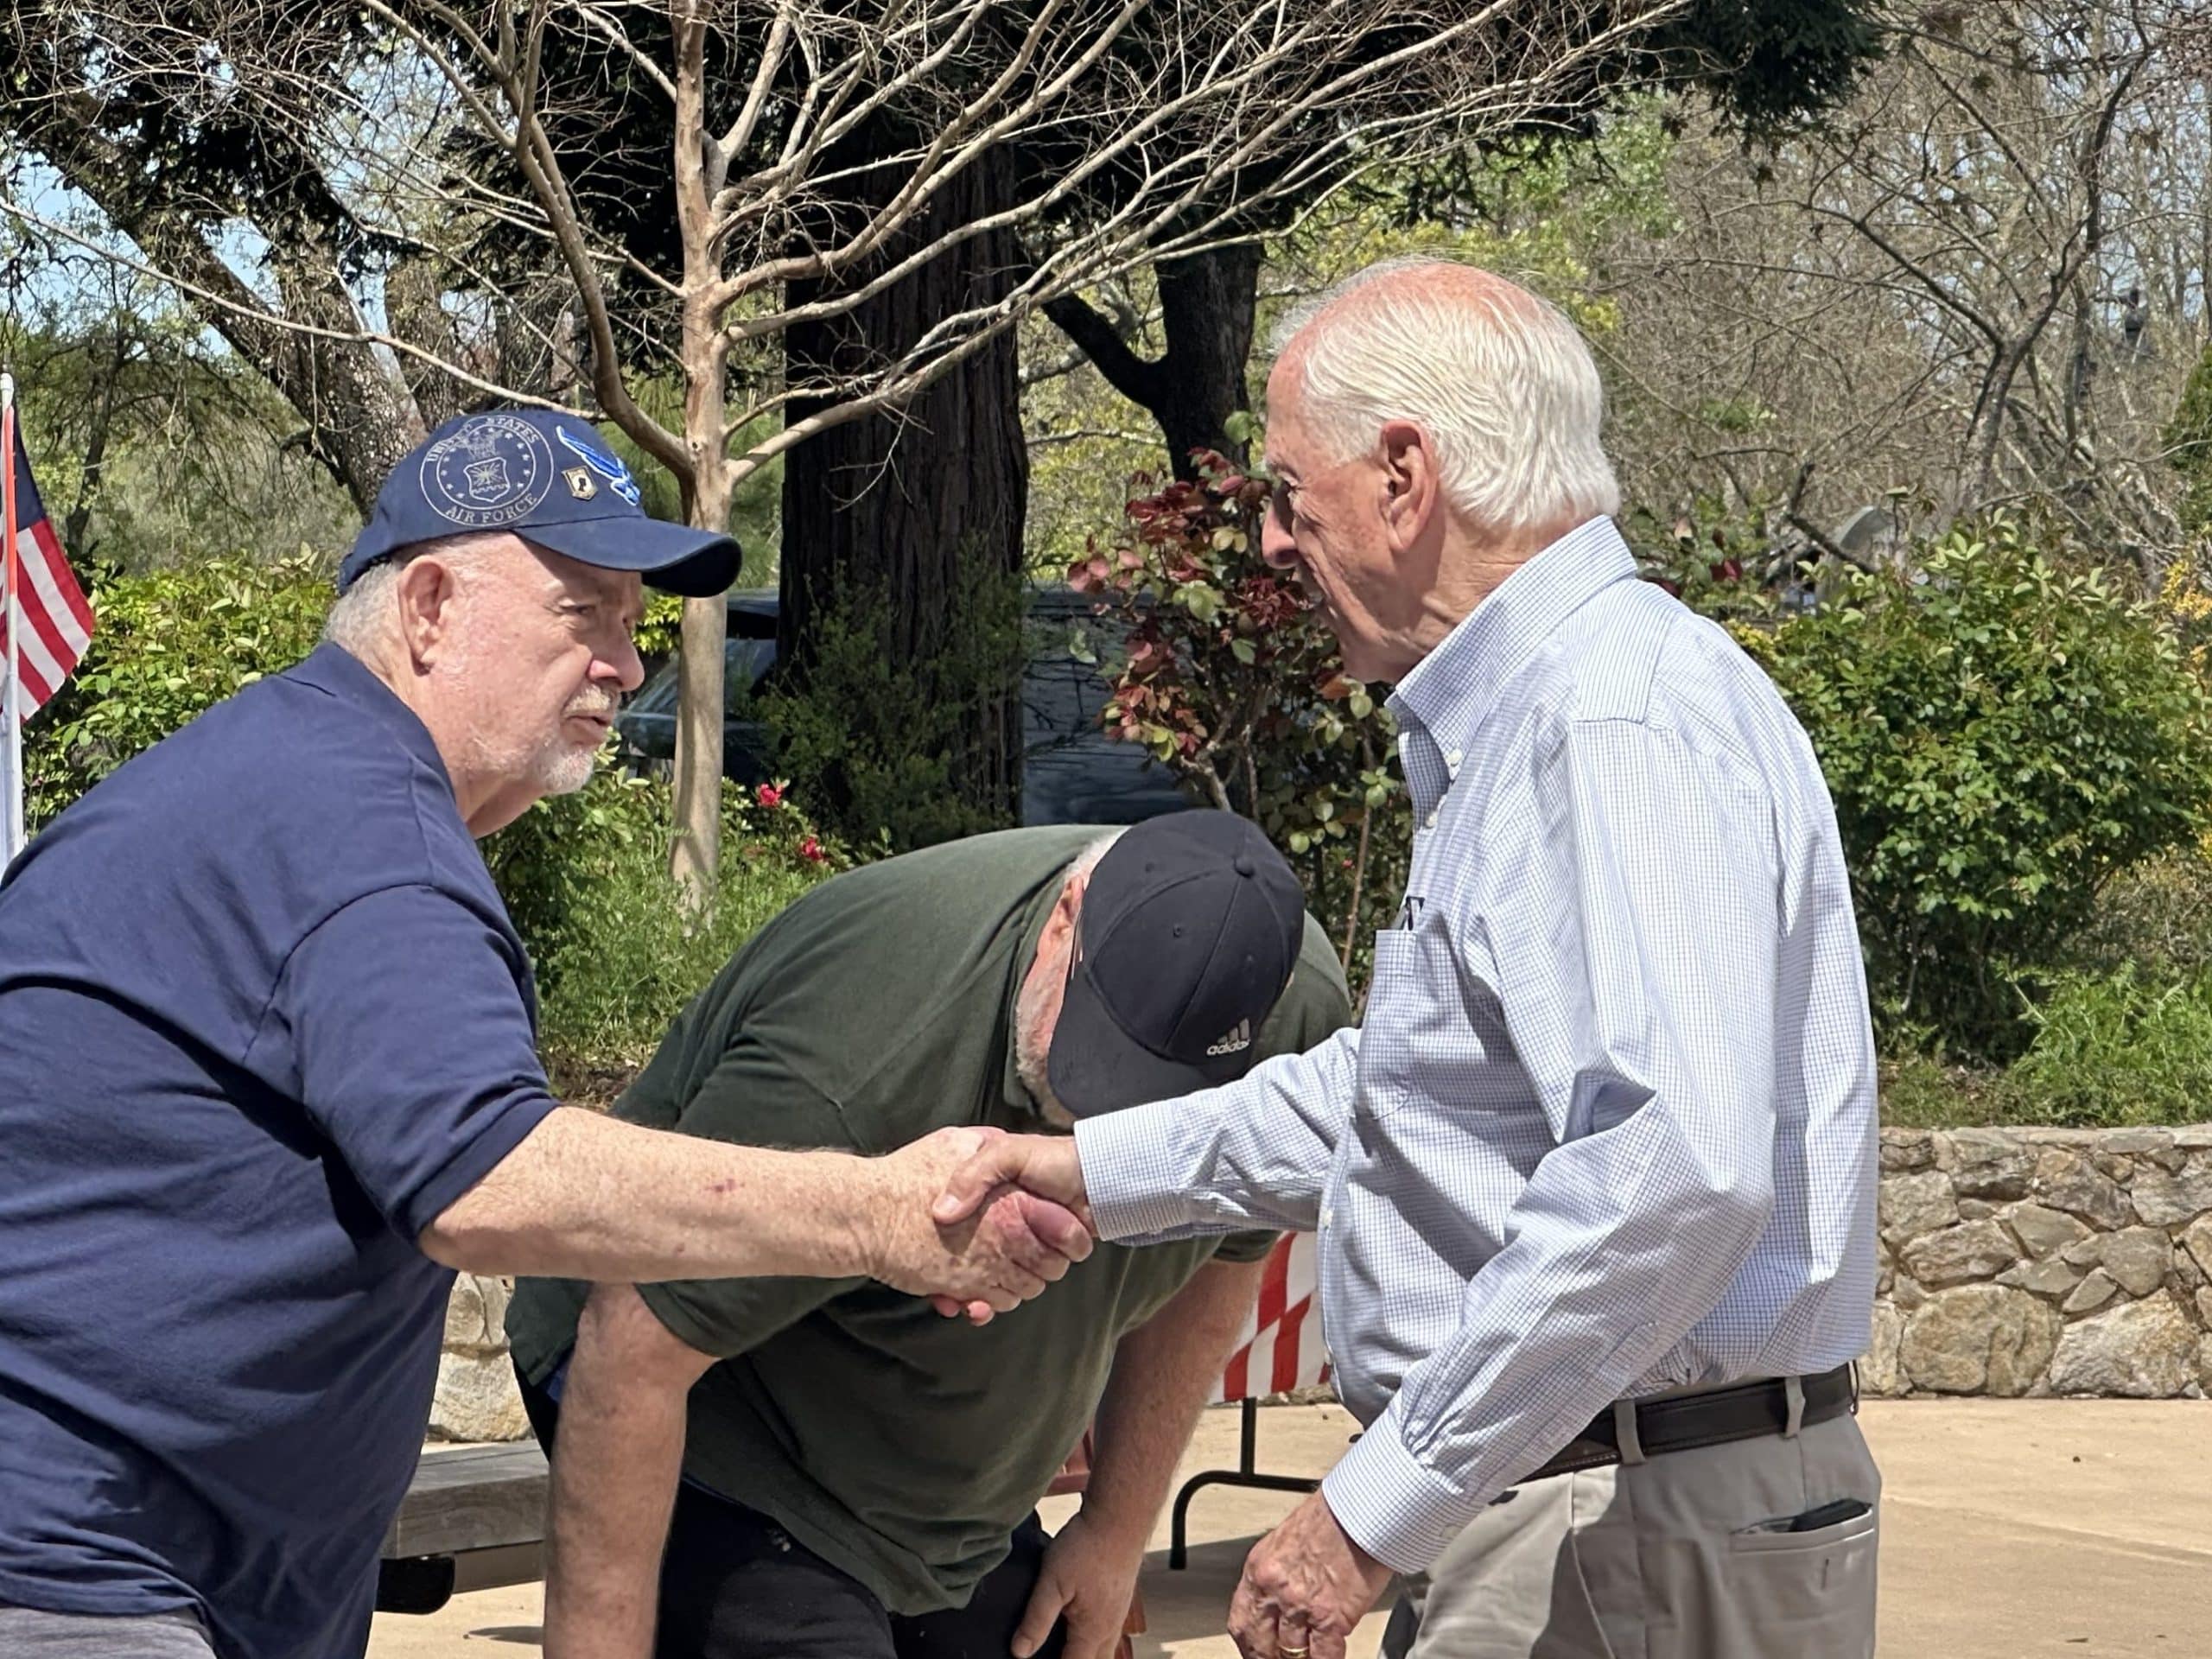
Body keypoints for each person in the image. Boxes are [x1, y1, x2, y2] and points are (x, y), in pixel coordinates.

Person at [0, 409, 1088, 1659]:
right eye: (588, 614)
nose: (627, 664)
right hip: (78, 1569)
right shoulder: (363, 827)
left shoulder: (293, 777)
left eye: (634, 623)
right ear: (428, 609)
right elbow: (487, 1175)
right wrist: (884, 1218)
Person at [939, 257, 1882, 1659]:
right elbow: (1413, 1100)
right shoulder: (1559, 716)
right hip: (1595, 1501)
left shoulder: (1603, 726)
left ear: (1404, 476)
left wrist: (1370, 1509)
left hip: (1612, 1519)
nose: (1268, 542)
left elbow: (1675, 1168)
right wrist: (1091, 1170)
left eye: (1285, 495)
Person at [505, 812, 1354, 1659]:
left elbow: (1223, 1264)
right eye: (1098, 1055)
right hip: (720, 1422)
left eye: (1152, 1094)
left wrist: (1114, 1528)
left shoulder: (1290, 1016)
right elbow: (632, 1339)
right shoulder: (860, 1051)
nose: (1102, 1113)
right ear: (1068, 914)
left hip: (944, 1493)